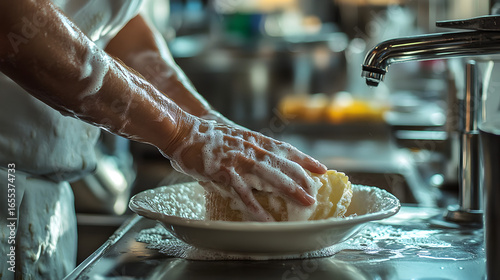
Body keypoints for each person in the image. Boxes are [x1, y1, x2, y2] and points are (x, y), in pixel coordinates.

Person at [0, 0, 327, 278]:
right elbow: (11, 17)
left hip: (48, 203)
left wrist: (205, 121)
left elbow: (113, 19)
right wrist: (183, 133)